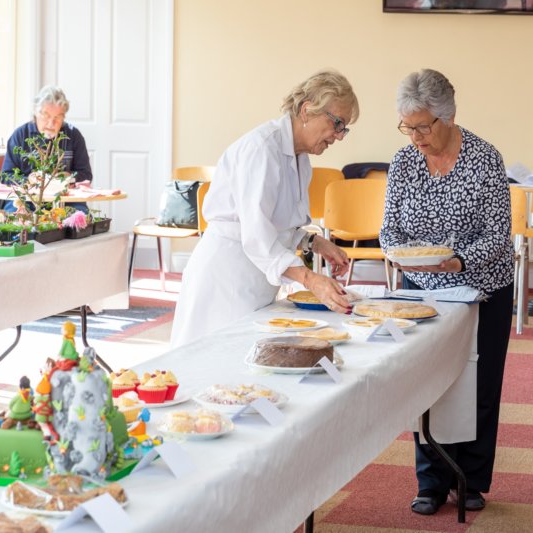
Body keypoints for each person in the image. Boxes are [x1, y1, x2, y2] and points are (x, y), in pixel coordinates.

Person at [379, 69, 514, 515]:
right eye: (407, 127)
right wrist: (397, 254)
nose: (416, 137)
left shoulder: (485, 159)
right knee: (426, 383)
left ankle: (470, 479)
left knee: (478, 384)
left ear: (449, 116)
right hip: (422, 287)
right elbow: (389, 229)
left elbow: (498, 236)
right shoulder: (404, 162)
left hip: (481, 286)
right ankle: (431, 481)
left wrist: (458, 262)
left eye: (423, 127)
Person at [170, 70, 358, 347]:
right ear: (307, 110)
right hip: (227, 277)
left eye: (344, 128)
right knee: (213, 359)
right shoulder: (261, 149)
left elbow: (279, 224)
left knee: (249, 361)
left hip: (257, 278)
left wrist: (314, 242)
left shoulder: (300, 158)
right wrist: (309, 279)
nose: (339, 136)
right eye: (337, 123)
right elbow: (256, 234)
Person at [0, 85, 93, 216]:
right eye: (46, 115)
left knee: (80, 217)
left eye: (57, 117)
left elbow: (86, 174)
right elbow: (6, 175)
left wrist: (68, 177)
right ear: (35, 113)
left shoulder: (73, 135)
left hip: (65, 199)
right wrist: (28, 180)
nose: (51, 123)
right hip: (26, 198)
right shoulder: (20, 135)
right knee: (15, 216)